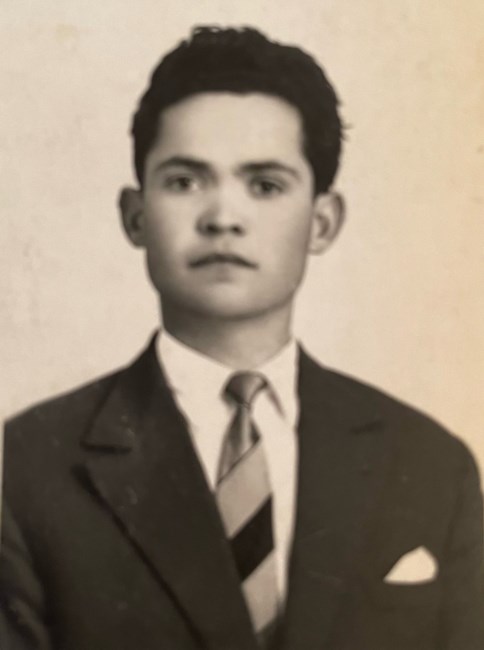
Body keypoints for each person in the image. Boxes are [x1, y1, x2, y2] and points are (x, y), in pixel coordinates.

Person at [1, 25, 482, 650]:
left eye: (265, 185)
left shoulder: (429, 464)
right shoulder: (28, 465)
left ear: (323, 222)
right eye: (185, 181)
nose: (224, 217)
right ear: (135, 216)